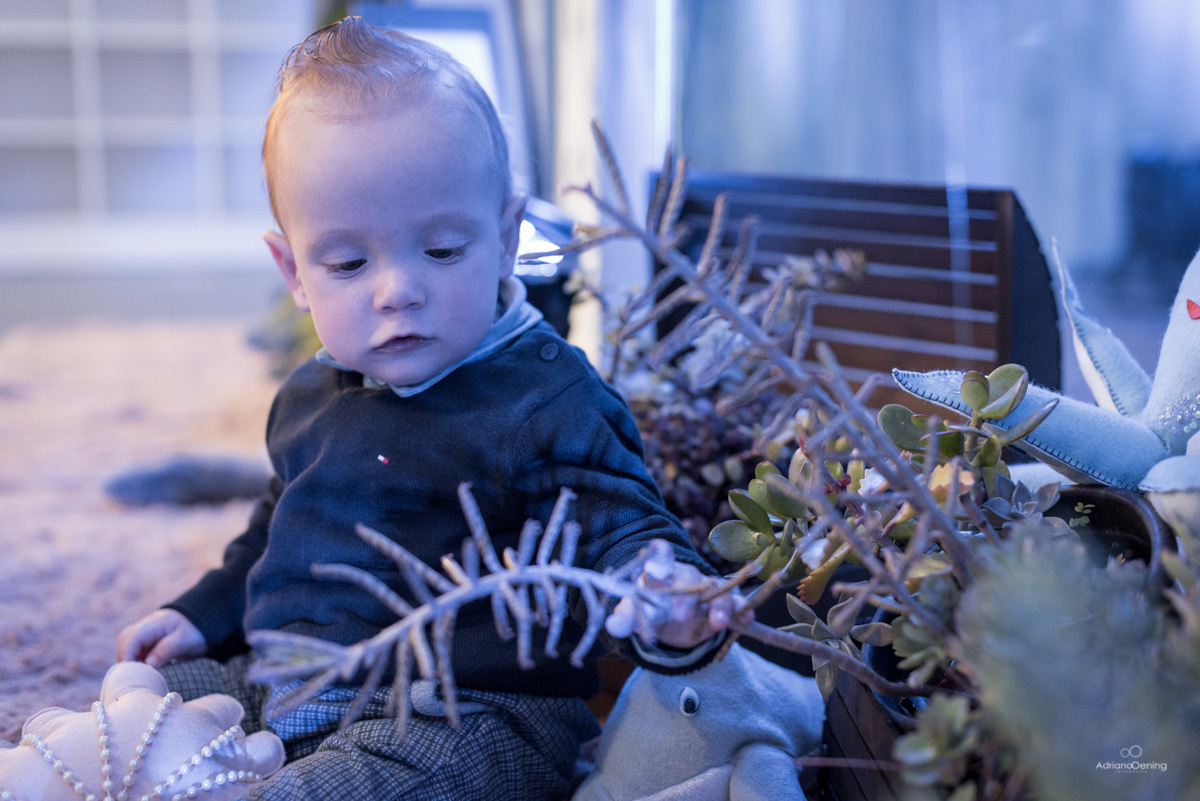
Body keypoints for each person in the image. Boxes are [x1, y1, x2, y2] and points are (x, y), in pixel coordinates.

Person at [116, 17, 742, 801]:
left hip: (468, 712)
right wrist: (204, 612)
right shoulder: (311, 394)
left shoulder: (547, 396)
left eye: (442, 250)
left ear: (506, 238)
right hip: (294, 678)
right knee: (139, 704)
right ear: (295, 271)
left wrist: (665, 589)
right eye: (349, 262)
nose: (397, 290)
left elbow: (623, 522)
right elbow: (276, 531)